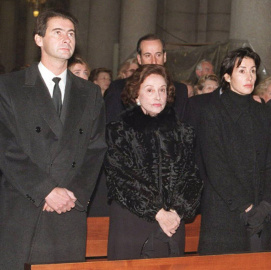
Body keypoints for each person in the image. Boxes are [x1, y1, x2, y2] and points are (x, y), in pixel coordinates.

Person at [0, 9, 106, 269]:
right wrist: (45, 189)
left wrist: (73, 194)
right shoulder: (10, 86)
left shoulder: (90, 93)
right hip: (26, 203)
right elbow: (6, 146)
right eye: (57, 32)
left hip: (68, 207)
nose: (66, 38)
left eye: (70, 33)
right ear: (39, 39)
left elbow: (96, 148)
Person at [104, 64, 202, 260]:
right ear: (136, 95)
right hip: (132, 222)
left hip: (173, 223)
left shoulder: (183, 132)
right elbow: (122, 177)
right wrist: (158, 212)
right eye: (150, 90)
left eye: (162, 90)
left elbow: (192, 177)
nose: (158, 96)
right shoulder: (119, 131)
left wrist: (176, 211)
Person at [197, 47, 271, 255]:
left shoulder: (263, 112)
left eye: (253, 71)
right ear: (227, 76)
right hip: (225, 211)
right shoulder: (212, 112)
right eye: (242, 71)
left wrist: (267, 205)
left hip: (261, 212)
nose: (249, 76)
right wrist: (246, 206)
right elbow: (216, 167)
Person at [104, 33, 189, 124]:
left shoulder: (179, 90)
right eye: (148, 55)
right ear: (139, 59)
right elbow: (111, 127)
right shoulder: (119, 88)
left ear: (164, 57)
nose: (153, 61)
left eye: (158, 55)